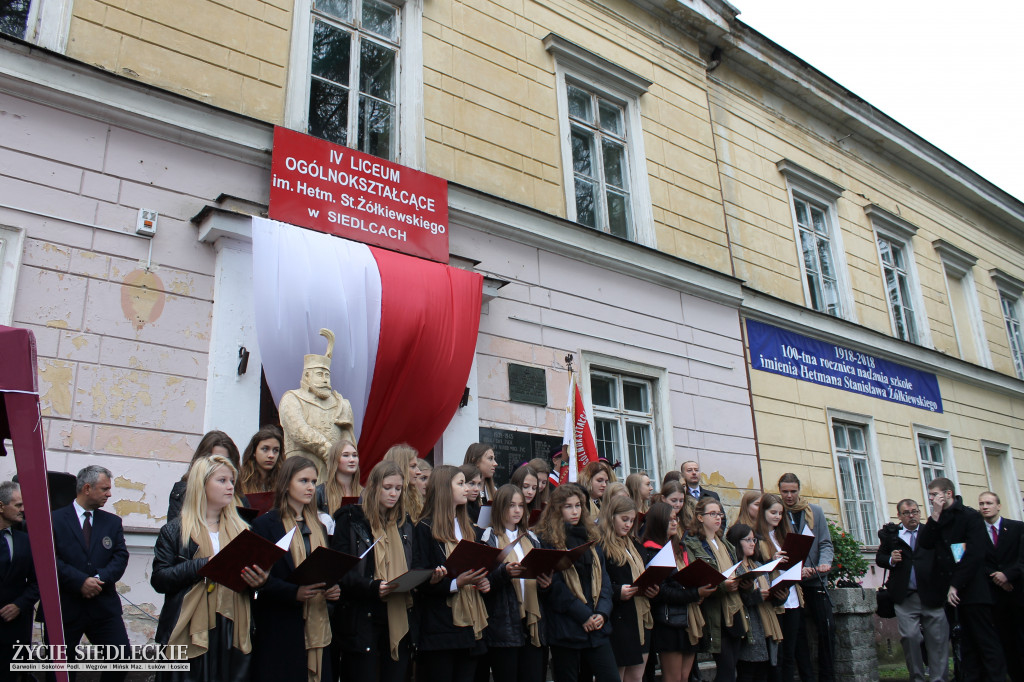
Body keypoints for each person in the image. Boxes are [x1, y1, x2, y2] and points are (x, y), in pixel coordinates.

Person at [151, 454, 268, 682]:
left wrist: (259, 581)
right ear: (201, 485)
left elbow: (254, 584)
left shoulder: (244, 531)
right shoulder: (176, 530)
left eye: (232, 481)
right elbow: (159, 579)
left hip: (231, 624)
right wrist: (201, 565)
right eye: (222, 480)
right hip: (190, 625)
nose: (230, 487)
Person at [250, 456, 339, 682]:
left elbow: (325, 567)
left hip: (318, 620)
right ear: (286, 483)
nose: (311, 487)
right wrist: (293, 592)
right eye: (303, 481)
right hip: (281, 624)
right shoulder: (266, 525)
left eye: (313, 481)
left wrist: (334, 589)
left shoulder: (318, 526)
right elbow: (258, 577)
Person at [331, 460, 415, 681]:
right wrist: (372, 586)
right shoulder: (350, 518)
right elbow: (340, 570)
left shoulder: (404, 524)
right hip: (361, 616)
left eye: (398, 489)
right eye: (388, 488)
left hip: (396, 614)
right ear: (374, 486)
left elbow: (414, 564)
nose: (393, 494)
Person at [917, 477, 1005, 682]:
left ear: (947, 494)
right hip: (949, 592)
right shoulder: (938, 518)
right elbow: (926, 543)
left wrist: (956, 585)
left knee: (984, 641)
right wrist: (935, 516)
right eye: (930, 495)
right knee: (964, 645)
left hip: (973, 589)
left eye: (934, 494)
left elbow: (974, 555)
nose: (931, 499)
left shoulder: (969, 516)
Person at [412, 464, 490, 682]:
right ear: (445, 489)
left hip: (470, 623)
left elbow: (477, 566)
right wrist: (455, 583)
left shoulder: (469, 528)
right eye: (461, 483)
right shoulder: (425, 528)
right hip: (442, 625)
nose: (467, 489)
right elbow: (420, 576)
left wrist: (484, 581)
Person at [52, 465, 130, 681]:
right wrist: (80, 582)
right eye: (104, 489)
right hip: (66, 607)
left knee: (121, 658)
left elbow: (120, 557)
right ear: (87, 488)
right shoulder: (54, 520)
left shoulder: (112, 522)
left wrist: (98, 580)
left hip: (102, 606)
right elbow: (49, 560)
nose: (109, 494)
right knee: (60, 669)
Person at [535, 483, 618, 682]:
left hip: (596, 625)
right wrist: (584, 615)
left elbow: (603, 580)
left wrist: (602, 613)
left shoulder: (590, 535)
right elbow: (555, 586)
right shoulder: (547, 540)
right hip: (567, 627)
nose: (575, 511)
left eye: (578, 506)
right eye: (568, 506)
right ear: (557, 510)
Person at [480, 483, 549, 682]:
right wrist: (505, 573)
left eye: (521, 505)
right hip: (504, 622)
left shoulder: (532, 539)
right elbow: (484, 582)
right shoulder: (488, 538)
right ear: (500, 508)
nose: (517, 510)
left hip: (532, 620)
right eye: (511, 505)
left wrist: (546, 582)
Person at [875, 498, 948, 682]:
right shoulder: (892, 535)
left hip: (932, 594)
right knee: (910, 637)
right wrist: (891, 559)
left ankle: (938, 678)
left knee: (937, 640)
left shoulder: (929, 532)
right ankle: (917, 676)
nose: (911, 516)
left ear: (920, 513)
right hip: (905, 596)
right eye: (906, 513)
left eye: (915, 512)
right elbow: (880, 558)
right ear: (899, 515)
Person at [642, 502, 709, 682]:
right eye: (669, 519)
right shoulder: (651, 550)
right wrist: (696, 594)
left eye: (675, 518)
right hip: (668, 620)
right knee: (672, 678)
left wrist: (700, 589)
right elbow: (662, 592)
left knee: (684, 677)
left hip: (689, 617)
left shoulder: (680, 548)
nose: (674, 522)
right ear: (658, 522)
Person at [277, 328, 356, 480]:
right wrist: (329, 451)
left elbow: (347, 440)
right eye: (320, 374)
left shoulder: (341, 403)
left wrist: (344, 459)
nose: (325, 379)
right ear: (307, 375)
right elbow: (299, 430)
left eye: (327, 375)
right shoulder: (292, 398)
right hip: (301, 471)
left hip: (335, 474)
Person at [778, 473, 834, 682]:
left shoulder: (814, 512)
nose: (789, 496)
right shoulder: (779, 513)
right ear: (780, 491)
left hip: (816, 578)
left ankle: (828, 676)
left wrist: (824, 564)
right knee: (798, 633)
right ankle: (807, 676)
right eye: (785, 492)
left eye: (793, 491)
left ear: (799, 490)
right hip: (793, 582)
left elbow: (825, 543)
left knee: (826, 627)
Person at [683, 497, 746, 682]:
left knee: (732, 666)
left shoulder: (724, 543)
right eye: (712, 514)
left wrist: (745, 581)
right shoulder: (693, 543)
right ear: (700, 517)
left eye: (719, 514)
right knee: (726, 668)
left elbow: (737, 567)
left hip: (735, 608)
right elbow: (698, 577)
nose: (718, 518)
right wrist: (722, 585)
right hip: (715, 611)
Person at [597, 495, 658, 682]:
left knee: (636, 676)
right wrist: (618, 592)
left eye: (632, 521)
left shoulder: (634, 545)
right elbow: (598, 583)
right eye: (624, 519)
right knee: (618, 675)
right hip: (619, 618)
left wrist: (652, 588)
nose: (628, 525)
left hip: (641, 615)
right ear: (611, 516)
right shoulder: (602, 546)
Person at [755, 493, 807, 682]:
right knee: (778, 651)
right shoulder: (758, 538)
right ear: (763, 513)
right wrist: (772, 560)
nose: (777, 516)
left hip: (791, 594)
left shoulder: (782, 536)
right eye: (773, 512)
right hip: (775, 599)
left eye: (780, 513)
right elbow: (756, 568)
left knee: (790, 652)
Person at [727, 523, 782, 682]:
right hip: (748, 629)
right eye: (748, 540)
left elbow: (769, 593)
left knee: (762, 674)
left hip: (764, 627)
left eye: (754, 540)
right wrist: (755, 595)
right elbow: (738, 601)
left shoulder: (757, 565)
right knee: (747, 674)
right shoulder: (734, 568)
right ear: (737, 542)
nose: (752, 543)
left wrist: (779, 595)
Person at [978, 491, 1023, 680]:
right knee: (1001, 641)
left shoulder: (1017, 528)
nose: (985, 507)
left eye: (989, 503)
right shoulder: (976, 532)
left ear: (999, 506)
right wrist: (996, 577)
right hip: (992, 595)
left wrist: (1008, 576)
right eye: (981, 504)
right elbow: (973, 559)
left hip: (1017, 592)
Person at [0, 482, 38, 682]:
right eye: (18, 505)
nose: (23, 509)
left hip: (14, 628)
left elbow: (38, 581)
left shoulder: (26, 541)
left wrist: (19, 605)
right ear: (1, 506)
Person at [168, 431, 243, 522]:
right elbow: (175, 531)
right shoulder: (182, 492)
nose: (221, 464)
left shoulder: (237, 494)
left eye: (225, 460)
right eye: (215, 459)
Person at [316, 439, 361, 517]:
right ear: (335, 460)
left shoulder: (365, 493)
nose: (352, 460)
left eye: (354, 455)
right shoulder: (320, 493)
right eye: (346, 455)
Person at [238, 425, 283, 495]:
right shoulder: (240, 480)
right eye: (265, 449)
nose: (271, 455)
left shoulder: (283, 481)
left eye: (275, 450)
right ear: (254, 452)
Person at [384, 444, 423, 523]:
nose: (418, 472)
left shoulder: (415, 496)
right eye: (413, 466)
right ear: (401, 467)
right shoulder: (383, 499)